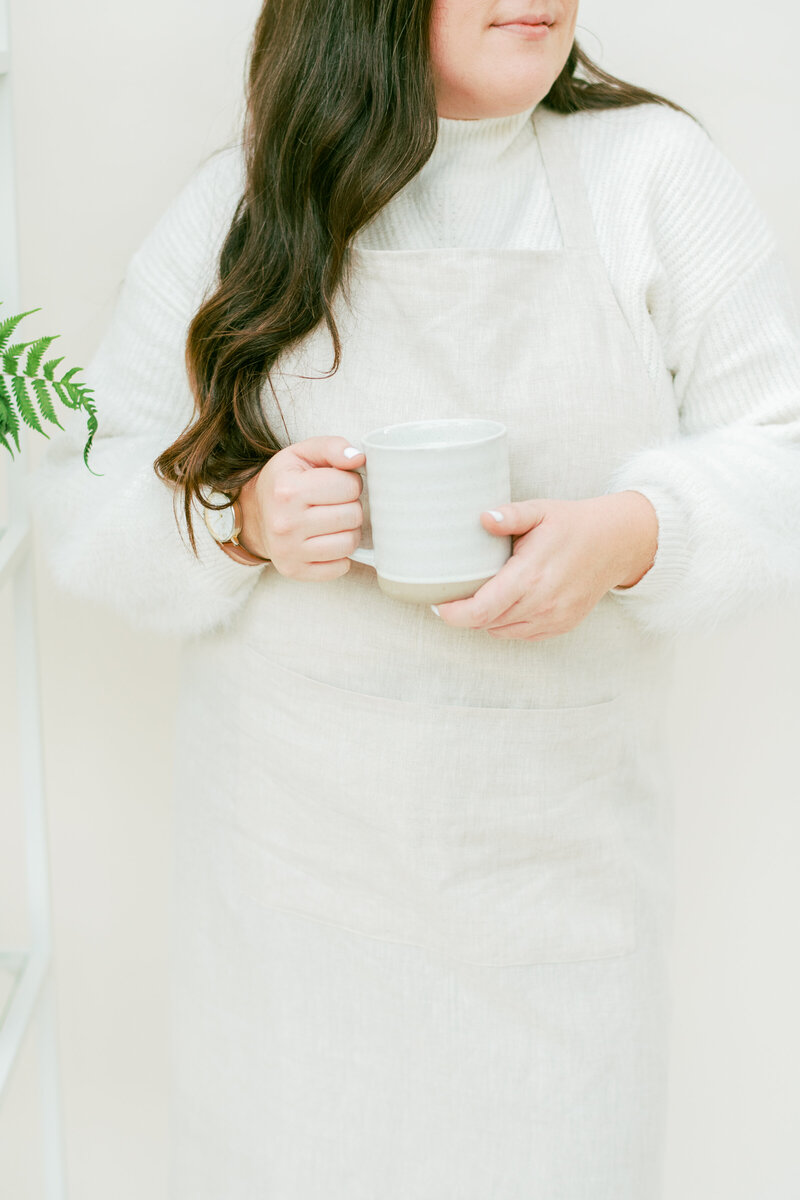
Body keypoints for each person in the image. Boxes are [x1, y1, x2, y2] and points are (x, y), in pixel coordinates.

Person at [32, 1, 800, 1196]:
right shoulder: (240, 203)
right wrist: (241, 522)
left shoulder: (653, 175)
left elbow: (781, 442)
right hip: (297, 906)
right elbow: (76, 483)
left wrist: (635, 532)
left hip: (556, 894)